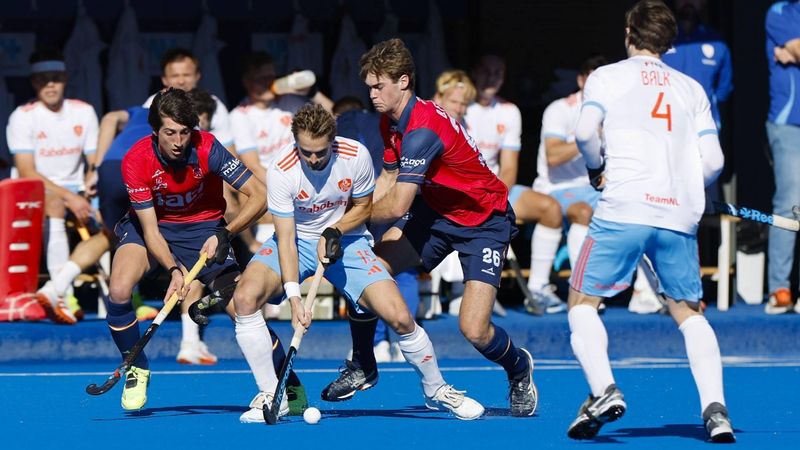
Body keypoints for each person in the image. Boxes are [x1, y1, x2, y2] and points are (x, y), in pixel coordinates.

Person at [325, 38, 538, 417]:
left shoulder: (422, 130)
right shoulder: (390, 119)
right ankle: (363, 364)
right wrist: (356, 215)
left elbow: (397, 204)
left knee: (474, 329)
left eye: (379, 86)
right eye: (369, 86)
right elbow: (388, 178)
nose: (371, 94)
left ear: (403, 81)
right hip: (436, 214)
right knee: (367, 273)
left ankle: (519, 368)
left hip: (483, 221)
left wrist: (344, 221)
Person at [230, 103, 482, 422]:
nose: (313, 160)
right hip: (295, 240)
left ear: (333, 141)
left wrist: (336, 229)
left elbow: (364, 207)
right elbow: (285, 240)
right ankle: (271, 395)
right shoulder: (282, 169)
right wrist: (295, 300)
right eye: (306, 152)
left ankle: (436, 388)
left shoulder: (355, 155)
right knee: (244, 298)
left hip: (347, 241)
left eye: (320, 153)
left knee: (401, 316)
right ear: (296, 143)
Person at [566, 0, 732, 442]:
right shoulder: (691, 88)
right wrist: (688, 187)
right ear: (669, 41)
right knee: (688, 313)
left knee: (582, 303)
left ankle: (603, 390)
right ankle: (715, 411)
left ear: (628, 34)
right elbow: (713, 161)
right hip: (678, 213)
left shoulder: (607, 76)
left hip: (624, 208)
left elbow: (585, 133)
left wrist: (595, 168)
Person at [107, 88, 266, 411]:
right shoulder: (136, 160)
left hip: (204, 229)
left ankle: (285, 385)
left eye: (184, 132)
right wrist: (174, 270)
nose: (178, 141)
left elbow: (260, 196)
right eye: (169, 133)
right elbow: (150, 229)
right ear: (155, 131)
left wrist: (225, 233)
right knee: (120, 289)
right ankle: (136, 366)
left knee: (243, 308)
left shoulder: (208, 147)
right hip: (154, 227)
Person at [466, 54, 566, 314]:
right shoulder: (459, 106)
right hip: (461, 193)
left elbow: (509, 167)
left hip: (496, 191)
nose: (492, 77)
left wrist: (494, 198)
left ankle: (539, 287)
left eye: (498, 72)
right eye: (487, 70)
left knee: (550, 209)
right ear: (475, 71)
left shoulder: (509, 111)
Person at [7, 48, 99, 325]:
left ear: (65, 79)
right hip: (33, 190)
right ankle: (63, 294)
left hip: (78, 190)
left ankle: (129, 296)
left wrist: (92, 180)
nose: (49, 85)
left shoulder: (84, 111)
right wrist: (72, 197)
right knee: (56, 202)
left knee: (116, 210)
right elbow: (27, 171)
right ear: (33, 83)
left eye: (55, 78)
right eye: (42, 79)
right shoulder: (22, 116)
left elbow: (94, 160)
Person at [764, 0, 800, 314]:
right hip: (790, 123)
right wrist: (793, 51)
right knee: (792, 201)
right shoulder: (781, 12)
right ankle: (780, 289)